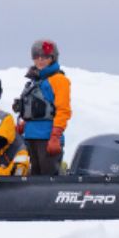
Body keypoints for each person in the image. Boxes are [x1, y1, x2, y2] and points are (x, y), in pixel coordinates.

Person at [14, 38, 72, 175]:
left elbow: (63, 110)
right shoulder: (34, 82)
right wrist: (22, 126)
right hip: (31, 137)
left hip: (47, 138)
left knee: (48, 178)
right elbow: (34, 110)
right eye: (36, 56)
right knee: (34, 177)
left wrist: (55, 136)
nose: (40, 60)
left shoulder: (59, 80)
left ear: (53, 58)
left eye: (45, 56)